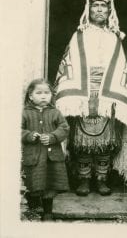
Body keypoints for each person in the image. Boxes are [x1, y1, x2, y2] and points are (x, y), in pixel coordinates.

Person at [55, 0, 127, 196]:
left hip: (107, 93)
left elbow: (121, 67)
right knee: (82, 140)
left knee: (105, 140)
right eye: (95, 5)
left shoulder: (114, 37)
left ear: (110, 10)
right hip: (82, 93)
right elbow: (69, 62)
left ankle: (101, 179)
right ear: (88, 8)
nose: (99, 9)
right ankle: (83, 180)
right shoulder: (79, 35)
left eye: (104, 5)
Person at [21, 78, 70, 221]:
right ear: (30, 96)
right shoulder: (24, 113)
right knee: (32, 183)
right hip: (33, 158)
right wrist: (29, 135)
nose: (43, 96)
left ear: (51, 95)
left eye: (47, 93)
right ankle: (33, 212)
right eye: (39, 93)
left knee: (49, 185)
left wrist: (53, 137)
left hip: (51, 158)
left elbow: (64, 128)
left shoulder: (55, 112)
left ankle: (48, 212)